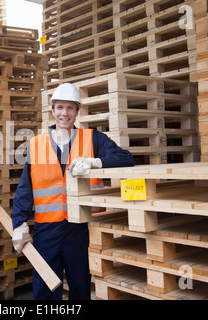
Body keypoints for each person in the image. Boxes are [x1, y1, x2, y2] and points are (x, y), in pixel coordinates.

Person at [11, 83, 135, 300]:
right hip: (46, 229)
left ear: (78, 111)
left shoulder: (94, 139)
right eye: (60, 107)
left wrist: (95, 162)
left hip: (81, 228)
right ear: (52, 111)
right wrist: (19, 223)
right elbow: (25, 188)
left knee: (80, 286)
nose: (64, 113)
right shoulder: (36, 144)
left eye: (70, 108)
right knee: (45, 287)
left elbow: (126, 158)